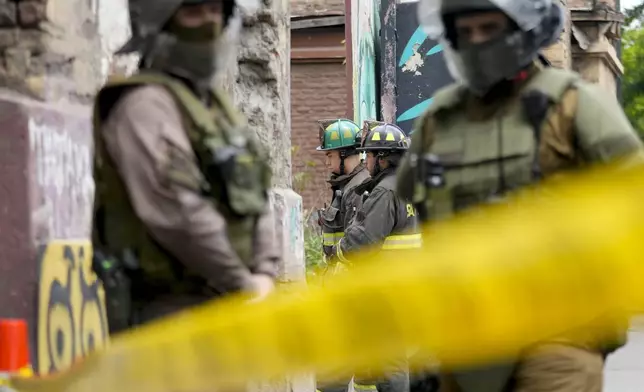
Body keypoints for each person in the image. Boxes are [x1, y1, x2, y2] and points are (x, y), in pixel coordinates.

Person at [396, 0, 644, 391]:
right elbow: (418, 206)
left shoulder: (573, 104)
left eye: (489, 29)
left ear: (522, 31)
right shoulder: (440, 118)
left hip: (559, 327)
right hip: (468, 333)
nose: (477, 42)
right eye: (466, 32)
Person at [91, 0, 279, 333]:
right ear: (158, 24)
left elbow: (256, 192)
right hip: (167, 315)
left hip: (226, 307)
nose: (209, 23)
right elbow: (179, 212)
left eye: (215, 10)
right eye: (192, 11)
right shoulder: (145, 106)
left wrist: (265, 272)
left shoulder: (215, 108)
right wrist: (242, 282)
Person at [331, 122, 421, 392]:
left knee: (390, 362)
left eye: (369, 155)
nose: (366, 160)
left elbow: (364, 240)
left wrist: (340, 251)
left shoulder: (384, 191)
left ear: (382, 158)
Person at [316, 118, 370, 275]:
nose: (327, 162)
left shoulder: (357, 189)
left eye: (329, 155)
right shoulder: (346, 185)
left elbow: (355, 242)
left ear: (343, 153)